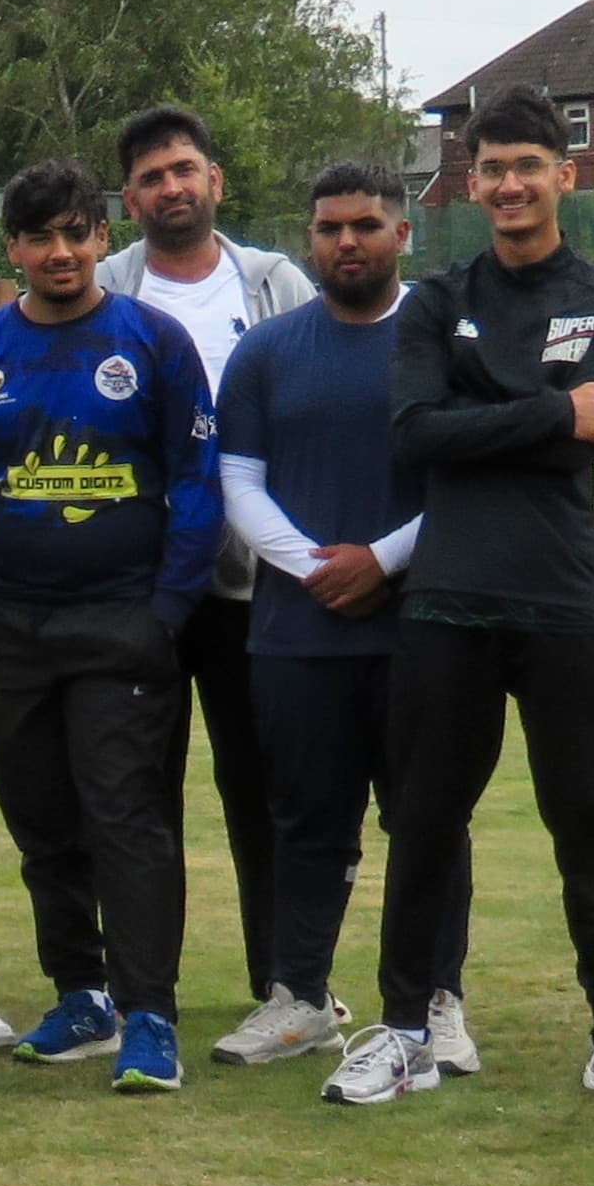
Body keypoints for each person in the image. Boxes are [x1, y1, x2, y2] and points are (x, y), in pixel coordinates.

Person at [375, 91, 594, 1108]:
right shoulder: (434, 297)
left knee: (588, 817)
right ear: (469, 184)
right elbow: (415, 431)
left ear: (567, 174)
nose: (509, 183)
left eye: (528, 163)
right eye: (491, 167)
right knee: (424, 819)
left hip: (562, 601)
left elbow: (579, 424)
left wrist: (507, 410)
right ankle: (400, 1030)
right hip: (447, 600)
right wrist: (551, 407)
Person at [0, 157, 219, 1094]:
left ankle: (150, 1015)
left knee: (125, 819)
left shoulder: (154, 340)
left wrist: (165, 612)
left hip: (120, 625)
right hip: (8, 627)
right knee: (43, 822)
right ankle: (81, 993)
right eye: (39, 235)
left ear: (101, 236)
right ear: (11, 246)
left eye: (76, 232)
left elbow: (193, 484)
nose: (60, 251)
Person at [207, 169, 469, 1102]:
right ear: (307, 237)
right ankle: (299, 996)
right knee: (303, 821)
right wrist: (312, 563)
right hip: (295, 627)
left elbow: (466, 481)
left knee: (426, 817)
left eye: (366, 224)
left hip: (420, 627)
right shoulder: (268, 349)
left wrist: (383, 560)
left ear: (403, 232)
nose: (346, 241)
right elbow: (236, 479)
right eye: (329, 227)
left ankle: (436, 999)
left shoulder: (440, 343)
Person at [95, 105, 311, 1031]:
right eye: (149, 176)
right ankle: (143, 996)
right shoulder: (103, 286)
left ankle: (284, 983)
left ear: (214, 180)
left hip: (253, 590)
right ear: (129, 197)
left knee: (260, 785)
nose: (170, 187)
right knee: (134, 796)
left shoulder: (273, 284)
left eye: (183, 168)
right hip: (136, 588)